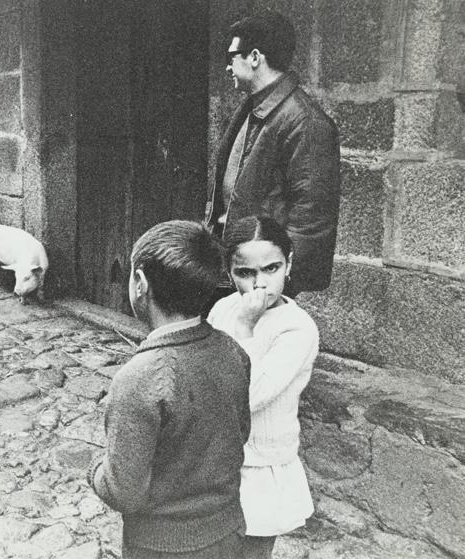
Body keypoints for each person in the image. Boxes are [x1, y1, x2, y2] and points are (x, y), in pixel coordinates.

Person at [88, 220, 251, 559]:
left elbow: (124, 492)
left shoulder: (139, 377)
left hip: (164, 547)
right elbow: (241, 433)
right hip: (229, 534)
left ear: (140, 284)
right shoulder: (233, 351)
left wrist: (94, 469)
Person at [205, 10, 340, 301]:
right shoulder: (252, 108)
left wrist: (278, 285)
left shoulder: (306, 122)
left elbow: (311, 221)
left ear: (254, 57)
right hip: (239, 267)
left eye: (232, 57)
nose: (227, 67)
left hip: (261, 278)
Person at [207, 216, 318, 559]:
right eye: (245, 273)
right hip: (215, 459)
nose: (260, 286)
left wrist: (245, 327)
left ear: (289, 264)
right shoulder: (223, 309)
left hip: (260, 465)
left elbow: (248, 396)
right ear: (229, 273)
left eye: (271, 269)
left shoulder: (297, 329)